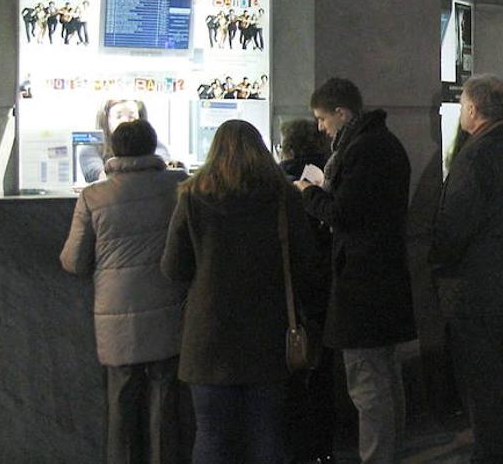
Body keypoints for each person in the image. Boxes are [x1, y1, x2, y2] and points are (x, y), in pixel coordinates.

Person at [161, 120, 318, 464]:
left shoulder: (191, 197)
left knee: (212, 435)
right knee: (267, 433)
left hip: (209, 338)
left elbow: (173, 268)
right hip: (268, 332)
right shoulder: (283, 198)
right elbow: (306, 261)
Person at [294, 78, 416, 464]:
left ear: (341, 113)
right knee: (384, 375)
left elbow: (344, 214)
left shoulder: (363, 150)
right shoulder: (383, 144)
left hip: (363, 285)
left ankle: (378, 457)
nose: (320, 127)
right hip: (381, 280)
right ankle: (390, 452)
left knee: (367, 384)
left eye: (322, 118)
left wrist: (308, 193)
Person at [431, 75, 503, 463]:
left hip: (481, 289)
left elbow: (454, 226)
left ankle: (491, 454)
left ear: (472, 109)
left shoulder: (474, 157)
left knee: (484, 384)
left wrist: (440, 264)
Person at [60, 119, 187, 464]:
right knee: (164, 397)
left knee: (120, 400)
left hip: (116, 312)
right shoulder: (178, 185)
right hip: (167, 304)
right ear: (153, 145)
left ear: (113, 149)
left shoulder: (94, 195)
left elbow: (74, 261)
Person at [276, 118, 334, 464]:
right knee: (322, 369)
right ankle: (322, 448)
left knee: (292, 371)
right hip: (324, 284)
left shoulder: (277, 183)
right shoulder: (330, 173)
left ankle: (296, 447)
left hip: (290, 289)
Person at [78, 99, 173, 183]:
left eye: (132, 117)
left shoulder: (155, 144)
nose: (125, 121)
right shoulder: (92, 147)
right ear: (106, 120)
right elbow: (98, 174)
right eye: (118, 116)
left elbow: (167, 166)